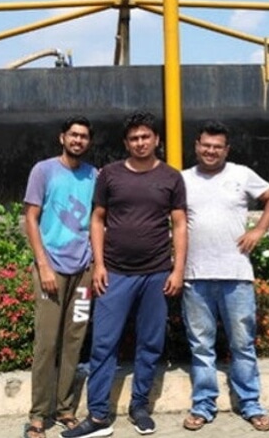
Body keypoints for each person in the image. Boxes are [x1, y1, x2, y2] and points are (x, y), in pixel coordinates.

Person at [62, 111, 187, 438]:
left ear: (156, 139)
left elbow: (179, 224)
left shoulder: (172, 178)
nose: (140, 142)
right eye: (134, 138)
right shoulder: (110, 175)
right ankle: (98, 416)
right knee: (103, 344)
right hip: (115, 273)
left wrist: (177, 269)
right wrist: (99, 264)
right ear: (126, 142)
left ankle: (139, 407)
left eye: (145, 137)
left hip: (156, 274)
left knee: (150, 343)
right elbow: (97, 219)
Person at [180, 120, 269, 432]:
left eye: (217, 147)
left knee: (242, 345)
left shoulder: (242, 174)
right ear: (196, 146)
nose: (211, 151)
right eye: (206, 145)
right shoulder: (182, 179)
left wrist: (259, 230)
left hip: (236, 276)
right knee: (201, 347)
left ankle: (251, 404)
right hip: (195, 276)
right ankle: (203, 406)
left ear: (226, 149)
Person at [23, 115, 98, 438]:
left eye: (83, 136)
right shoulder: (44, 171)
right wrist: (42, 265)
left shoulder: (94, 175)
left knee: (74, 341)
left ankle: (66, 409)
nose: (78, 140)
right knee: (47, 343)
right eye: (73, 135)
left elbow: (97, 220)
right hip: (50, 269)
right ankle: (38, 416)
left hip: (83, 272)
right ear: (62, 138)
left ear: (88, 141)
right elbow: (31, 217)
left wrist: (97, 264)